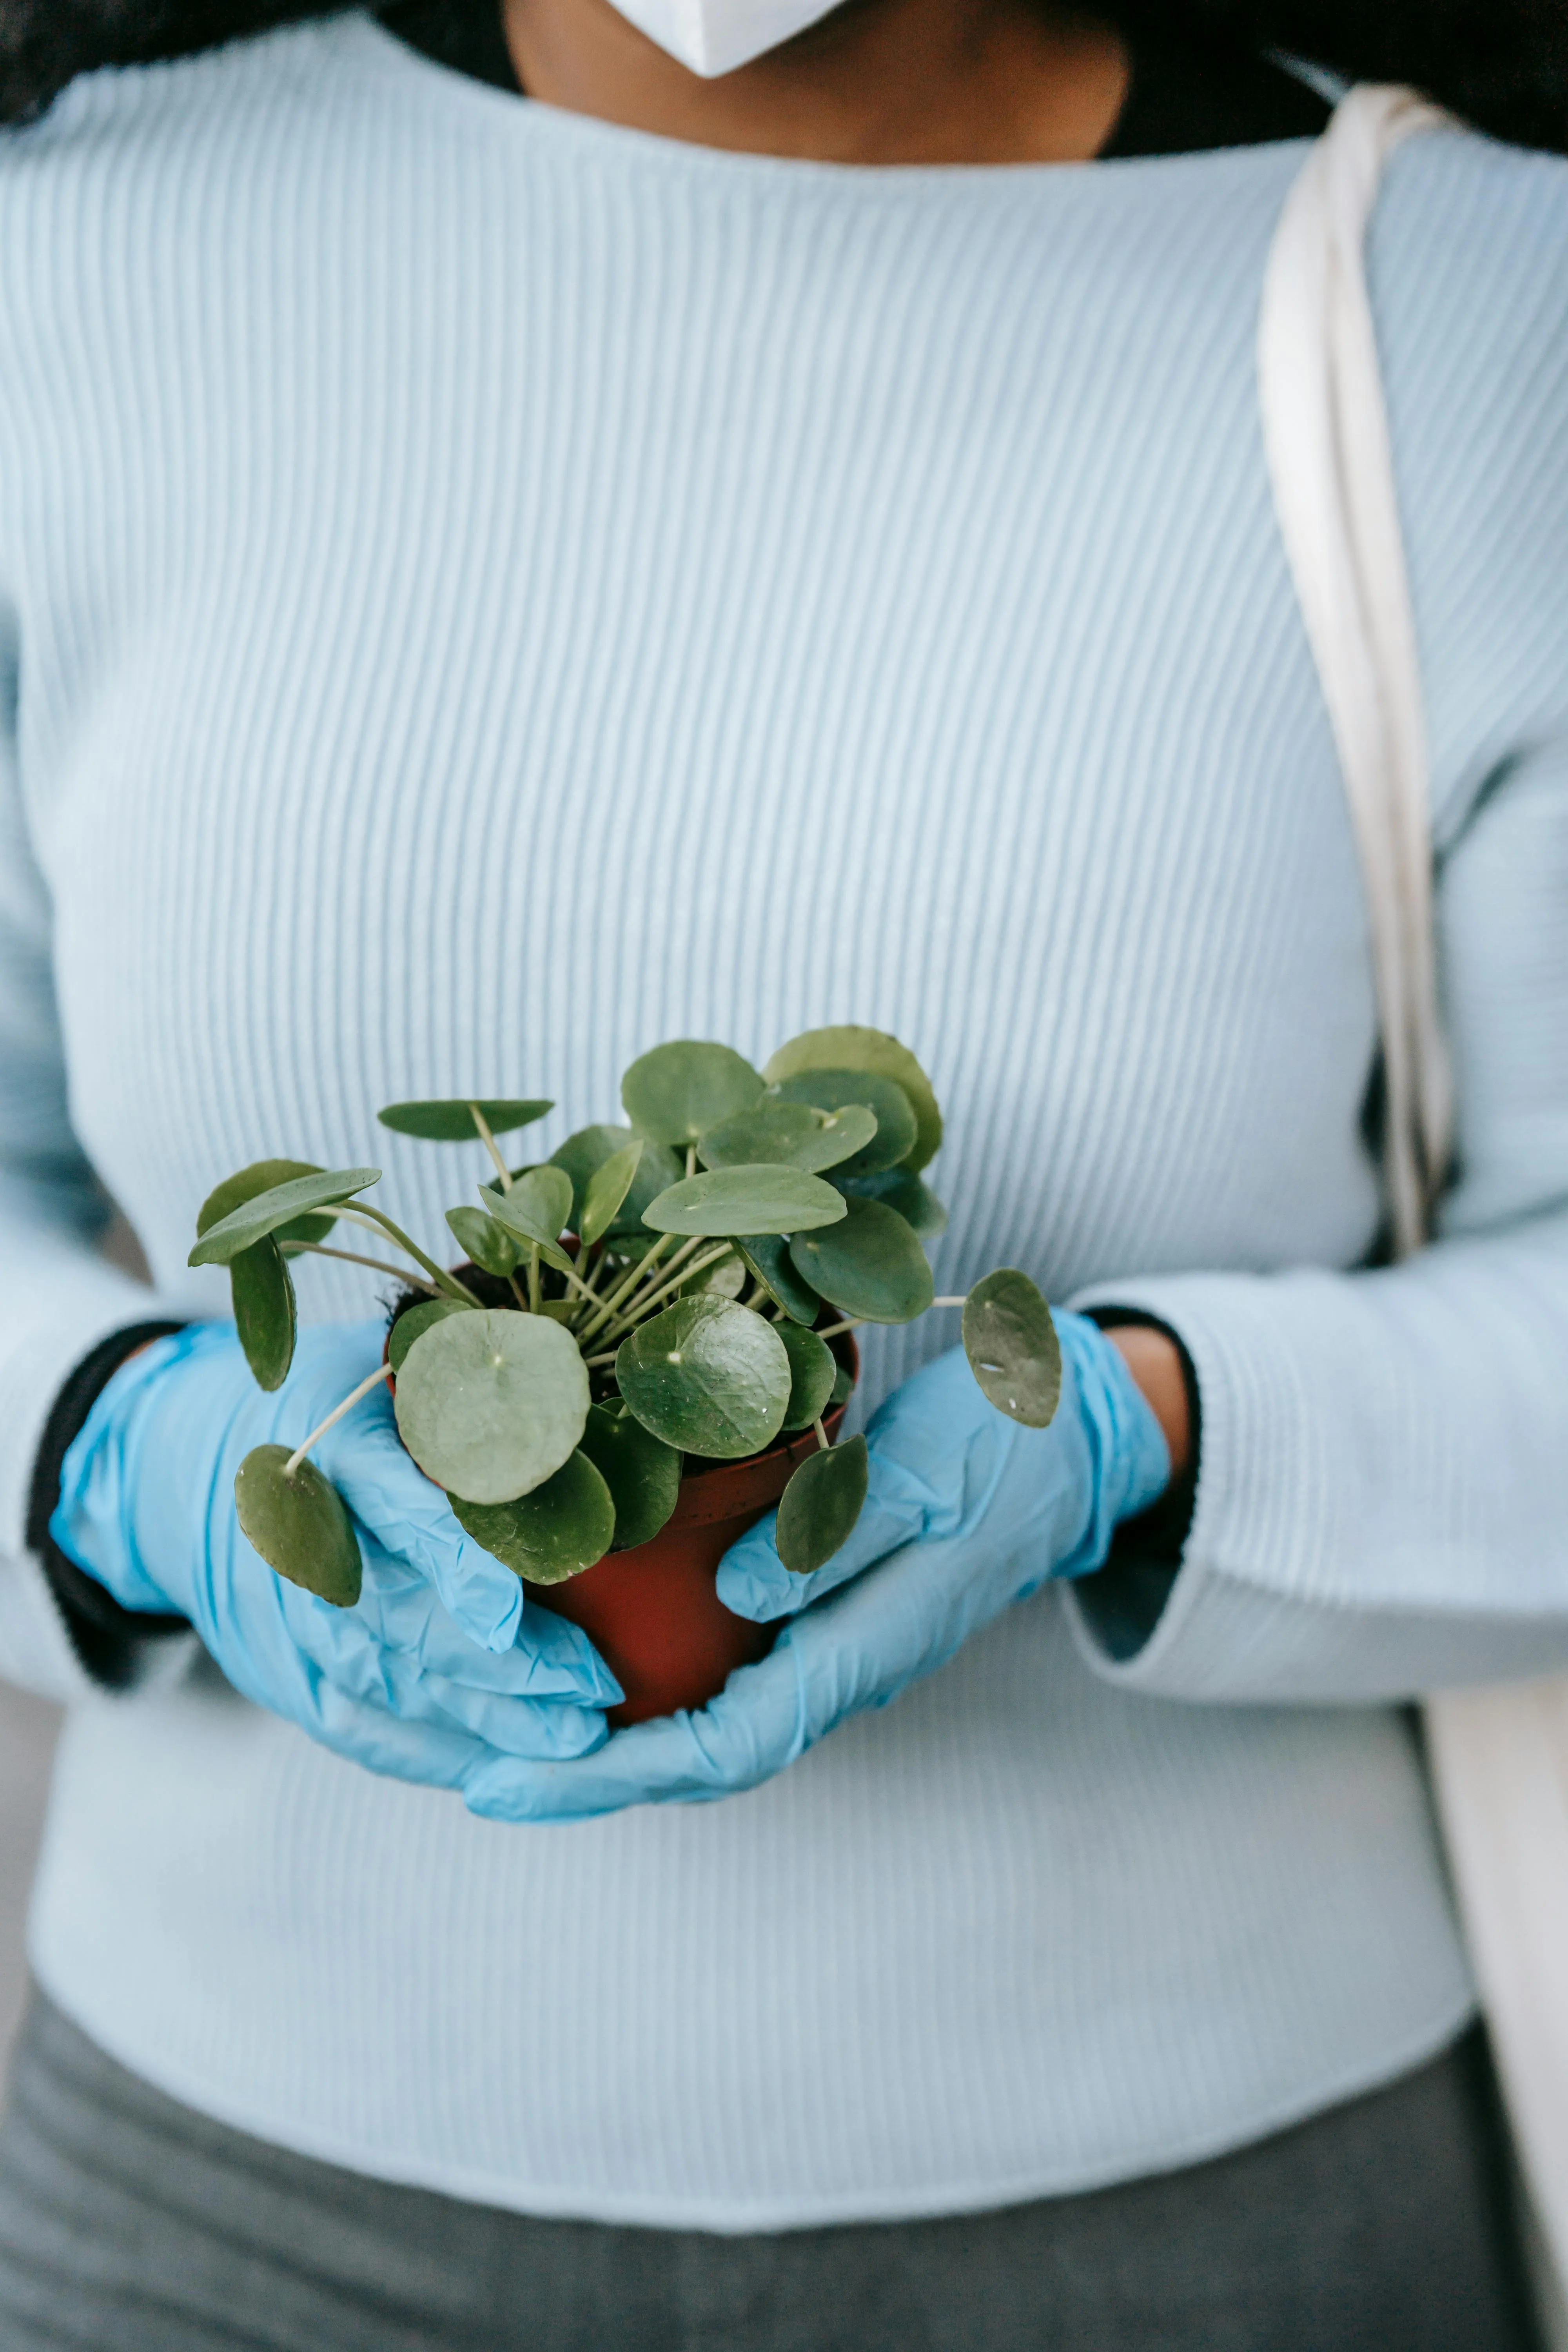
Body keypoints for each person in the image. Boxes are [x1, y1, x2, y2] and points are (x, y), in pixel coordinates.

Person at [0, 0, 1561, 2341]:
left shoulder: (1469, 304)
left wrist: (1147, 1428)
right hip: (224, 2229)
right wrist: (120, 1456)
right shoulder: (77, 250)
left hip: (1203, 2222)